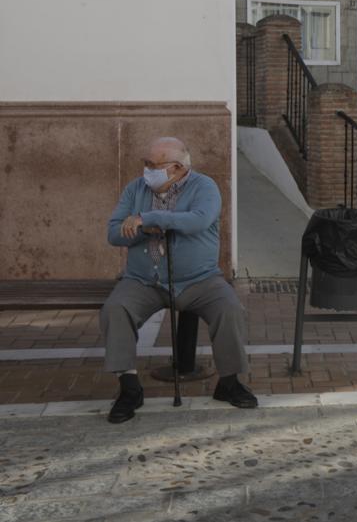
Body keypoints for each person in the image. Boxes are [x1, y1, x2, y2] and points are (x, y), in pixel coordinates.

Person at [101, 137, 256, 423]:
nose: (146, 170)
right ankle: (129, 388)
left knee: (229, 309)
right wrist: (144, 230)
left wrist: (146, 218)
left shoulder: (204, 186)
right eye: (145, 163)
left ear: (175, 168)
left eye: (152, 165)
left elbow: (198, 220)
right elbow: (113, 233)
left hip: (199, 280)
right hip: (143, 279)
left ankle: (230, 383)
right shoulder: (135, 188)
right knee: (115, 310)